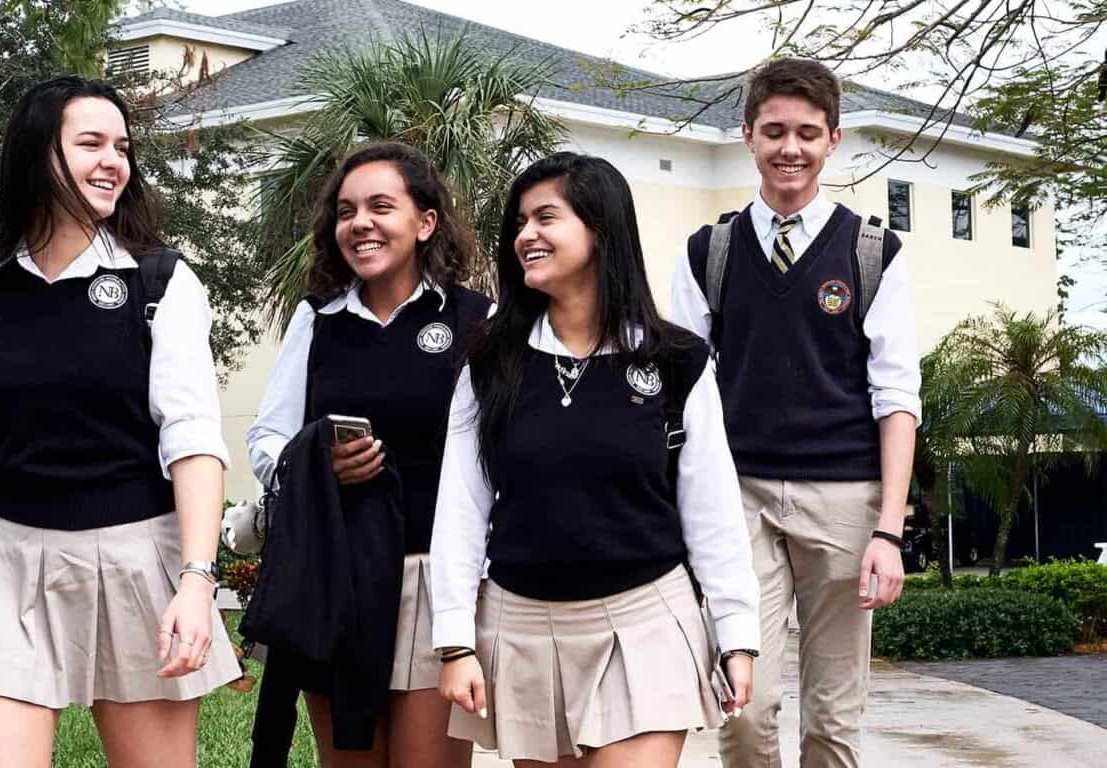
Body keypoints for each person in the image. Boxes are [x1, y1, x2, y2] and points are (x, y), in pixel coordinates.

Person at [0, 75, 237, 768]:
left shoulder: (160, 282)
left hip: (139, 560)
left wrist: (197, 579)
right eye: (90, 143)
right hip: (5, 564)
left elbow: (193, 443)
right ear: (39, 155)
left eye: (122, 147)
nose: (113, 162)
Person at [431, 152, 760, 767]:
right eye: (521, 222)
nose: (526, 235)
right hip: (522, 629)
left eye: (546, 217)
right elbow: (461, 508)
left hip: (646, 621)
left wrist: (737, 635)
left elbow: (713, 511)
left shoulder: (677, 361)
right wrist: (455, 642)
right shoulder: (489, 362)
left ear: (601, 229)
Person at [669, 59, 920, 768]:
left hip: (845, 503)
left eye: (808, 133)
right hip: (737, 499)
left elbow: (897, 397)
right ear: (747, 135)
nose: (791, 148)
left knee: (833, 723)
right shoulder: (709, 252)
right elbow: (679, 392)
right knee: (743, 710)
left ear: (833, 139)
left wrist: (888, 531)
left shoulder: (873, 252)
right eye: (774, 131)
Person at [246, 141, 492, 768]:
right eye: (346, 211)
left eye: (381, 207)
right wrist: (313, 462)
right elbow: (267, 439)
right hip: (337, 576)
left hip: (435, 581)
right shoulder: (317, 320)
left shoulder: (477, 320)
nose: (360, 223)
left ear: (425, 222)